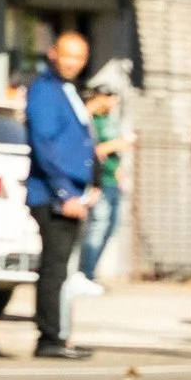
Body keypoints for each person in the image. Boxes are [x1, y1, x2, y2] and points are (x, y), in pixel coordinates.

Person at [24, 27, 98, 360]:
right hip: (53, 194)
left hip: (73, 192)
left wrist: (90, 185)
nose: (74, 63)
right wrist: (64, 191)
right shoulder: (45, 90)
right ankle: (49, 337)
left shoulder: (68, 90)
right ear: (53, 53)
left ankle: (60, 333)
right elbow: (44, 143)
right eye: (68, 55)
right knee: (54, 267)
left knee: (63, 267)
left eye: (80, 57)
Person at [71, 63, 131, 296]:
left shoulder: (109, 119)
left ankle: (90, 273)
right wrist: (116, 145)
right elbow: (92, 149)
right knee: (97, 226)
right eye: (109, 97)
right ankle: (83, 272)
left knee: (110, 227)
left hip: (113, 180)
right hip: (99, 180)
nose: (113, 102)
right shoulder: (90, 118)